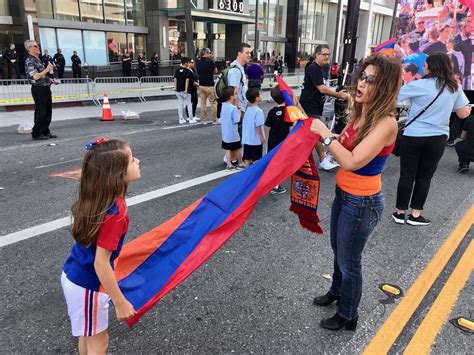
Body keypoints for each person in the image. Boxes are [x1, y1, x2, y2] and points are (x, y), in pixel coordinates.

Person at [309, 54, 402, 331]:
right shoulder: (361, 113)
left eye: (370, 80)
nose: (361, 83)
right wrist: (329, 138)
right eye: (362, 76)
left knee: (350, 261)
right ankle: (337, 292)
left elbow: (351, 161)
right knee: (339, 251)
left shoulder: (386, 122)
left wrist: (326, 134)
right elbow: (343, 151)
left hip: (362, 202)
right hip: (344, 194)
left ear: (384, 87)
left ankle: (349, 315)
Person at [61, 138, 139, 354]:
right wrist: (120, 301)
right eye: (132, 160)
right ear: (116, 175)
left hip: (74, 275)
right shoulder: (115, 214)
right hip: (87, 285)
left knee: (88, 337)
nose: (138, 162)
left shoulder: (98, 199)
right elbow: (101, 263)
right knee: (99, 342)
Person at [393, 53, 471, 226]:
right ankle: (415, 214)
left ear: (432, 66)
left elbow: (394, 98)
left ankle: (399, 212)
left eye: (426, 65)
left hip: (413, 135)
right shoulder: (454, 87)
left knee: (407, 174)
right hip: (438, 137)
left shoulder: (418, 84)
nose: (423, 67)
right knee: (425, 176)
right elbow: (463, 113)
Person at [299, 45, 349, 170]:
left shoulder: (319, 68)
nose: (327, 57)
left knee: (312, 133)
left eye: (328, 54)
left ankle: (319, 157)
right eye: (324, 54)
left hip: (314, 105)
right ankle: (322, 159)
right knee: (317, 132)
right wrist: (339, 95)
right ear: (317, 55)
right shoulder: (314, 68)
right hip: (310, 106)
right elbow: (321, 88)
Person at [24, 40, 56, 141]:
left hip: (45, 87)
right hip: (38, 89)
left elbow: (41, 76)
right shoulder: (30, 60)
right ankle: (36, 133)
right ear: (29, 48)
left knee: (47, 111)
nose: (38, 47)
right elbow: (34, 76)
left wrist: (50, 80)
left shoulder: (37, 59)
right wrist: (46, 70)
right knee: (41, 111)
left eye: (38, 45)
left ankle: (45, 130)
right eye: (35, 46)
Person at [265, 86, 293, 195]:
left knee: (272, 162)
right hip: (283, 143)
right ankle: (275, 186)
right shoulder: (289, 112)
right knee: (280, 164)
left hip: (272, 141)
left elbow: (268, 128)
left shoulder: (272, 111)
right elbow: (291, 129)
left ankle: (271, 182)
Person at [220, 87, 244, 170]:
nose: (236, 95)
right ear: (231, 97)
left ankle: (229, 164)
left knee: (227, 149)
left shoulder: (223, 105)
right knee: (238, 148)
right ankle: (240, 162)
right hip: (233, 134)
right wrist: (239, 110)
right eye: (235, 94)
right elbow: (237, 120)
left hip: (225, 133)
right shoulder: (233, 108)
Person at [242, 88, 266, 166]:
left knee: (247, 159)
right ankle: (255, 176)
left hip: (247, 140)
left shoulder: (248, 109)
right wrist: (262, 137)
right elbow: (258, 126)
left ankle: (247, 175)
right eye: (260, 94)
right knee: (256, 161)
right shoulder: (258, 111)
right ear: (257, 98)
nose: (261, 96)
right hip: (255, 141)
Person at [228, 43, 252, 116]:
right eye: (247, 53)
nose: (249, 55)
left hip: (240, 107)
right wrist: (238, 109)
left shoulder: (240, 67)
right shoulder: (235, 70)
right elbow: (234, 92)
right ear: (239, 53)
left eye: (250, 53)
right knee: (239, 127)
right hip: (238, 109)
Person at [196, 48, 218, 123]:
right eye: (209, 52)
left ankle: (203, 119)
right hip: (209, 85)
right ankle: (214, 119)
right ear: (205, 53)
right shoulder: (210, 62)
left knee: (203, 103)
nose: (210, 54)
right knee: (213, 103)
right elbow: (216, 71)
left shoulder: (198, 62)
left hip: (201, 85)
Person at [173, 57, 196, 124]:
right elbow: (187, 80)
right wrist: (186, 89)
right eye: (188, 62)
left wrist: (175, 88)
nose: (189, 63)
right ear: (186, 63)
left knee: (180, 104)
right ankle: (191, 118)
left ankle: (181, 119)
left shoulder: (177, 71)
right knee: (189, 104)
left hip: (178, 90)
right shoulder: (188, 71)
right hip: (186, 91)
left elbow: (175, 79)